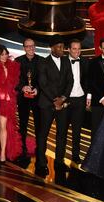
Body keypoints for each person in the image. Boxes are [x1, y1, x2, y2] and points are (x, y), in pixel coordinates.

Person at [36, 35, 74, 177]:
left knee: (62, 135)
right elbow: (43, 84)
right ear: (51, 48)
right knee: (43, 134)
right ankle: (41, 163)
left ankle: (59, 162)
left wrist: (63, 98)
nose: (61, 49)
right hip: (47, 104)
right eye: (58, 47)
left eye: (62, 47)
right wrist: (55, 100)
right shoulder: (43, 62)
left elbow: (70, 81)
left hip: (63, 104)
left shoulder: (66, 61)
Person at [0, 43, 22, 162]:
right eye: (2, 54)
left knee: (3, 126)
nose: (4, 56)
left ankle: (3, 152)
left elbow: (14, 84)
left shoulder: (13, 66)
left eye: (6, 54)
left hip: (7, 102)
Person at [15, 38, 42, 162]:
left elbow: (45, 79)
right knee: (23, 125)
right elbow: (14, 79)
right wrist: (22, 87)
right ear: (24, 48)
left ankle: (40, 149)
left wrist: (37, 88)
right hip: (23, 99)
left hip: (38, 98)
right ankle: (22, 149)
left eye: (32, 46)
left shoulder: (42, 61)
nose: (31, 48)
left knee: (39, 125)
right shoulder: (17, 61)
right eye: (28, 46)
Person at [65, 39, 89, 164]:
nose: (77, 51)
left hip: (80, 98)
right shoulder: (63, 61)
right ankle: (60, 156)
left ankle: (75, 155)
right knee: (62, 130)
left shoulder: (85, 61)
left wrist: (88, 97)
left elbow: (89, 81)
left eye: (79, 49)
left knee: (77, 130)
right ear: (68, 49)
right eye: (74, 48)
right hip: (66, 99)